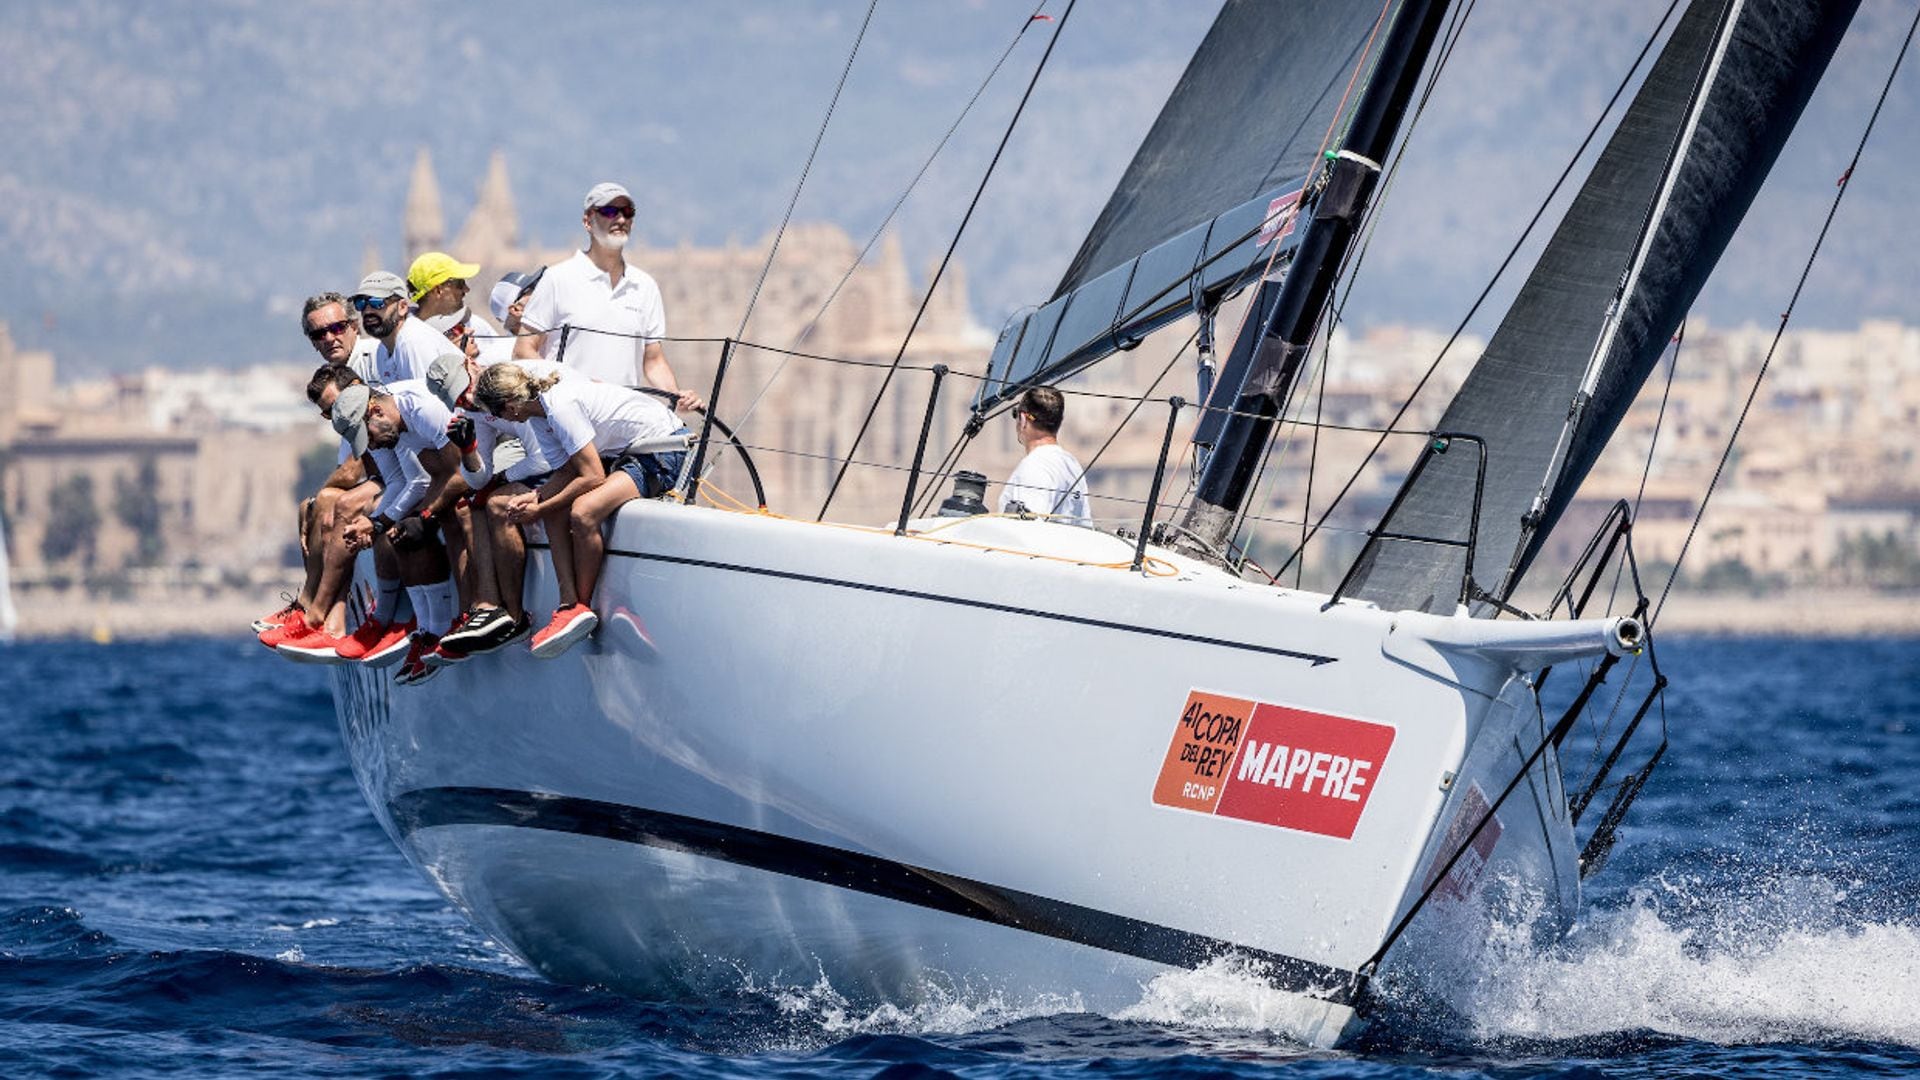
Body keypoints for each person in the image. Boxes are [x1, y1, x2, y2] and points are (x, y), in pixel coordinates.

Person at [474, 361, 688, 659]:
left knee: (583, 512)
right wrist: (537, 499)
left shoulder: (560, 406)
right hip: (628, 453)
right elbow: (563, 474)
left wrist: (539, 506)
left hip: (662, 449)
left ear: (509, 406)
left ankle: (580, 608)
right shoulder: (537, 416)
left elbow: (592, 476)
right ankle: (567, 603)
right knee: (554, 510)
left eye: (494, 413)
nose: (495, 419)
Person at [255, 294, 382, 649]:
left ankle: (313, 613)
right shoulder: (338, 377)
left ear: (353, 326)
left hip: (399, 479)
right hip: (383, 479)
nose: (329, 338)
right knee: (325, 503)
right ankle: (324, 615)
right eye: (318, 334)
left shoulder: (369, 368)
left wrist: (313, 507)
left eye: (336, 327)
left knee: (328, 503)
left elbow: (356, 464)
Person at [424, 350, 566, 656]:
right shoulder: (474, 407)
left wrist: (498, 481)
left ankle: (514, 617)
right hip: (549, 457)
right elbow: (477, 477)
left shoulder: (507, 385)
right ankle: (487, 606)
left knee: (497, 503)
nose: (468, 401)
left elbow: (541, 459)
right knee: (473, 501)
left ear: (472, 366)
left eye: (466, 391)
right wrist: (468, 450)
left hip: (569, 454)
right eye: (459, 401)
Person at [331, 380, 472, 683]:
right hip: (455, 476)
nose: (373, 447)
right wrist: (384, 522)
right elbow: (419, 482)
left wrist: (424, 516)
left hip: (480, 470)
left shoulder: (422, 410)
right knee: (402, 532)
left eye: (368, 437)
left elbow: (462, 475)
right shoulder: (399, 429)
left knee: (444, 519)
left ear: (376, 411)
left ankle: (458, 618)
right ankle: (428, 630)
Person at [514, 182, 700, 409]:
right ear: (587, 221)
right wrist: (569, 384)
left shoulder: (645, 286)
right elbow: (523, 350)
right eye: (610, 211)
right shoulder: (557, 279)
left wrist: (675, 395)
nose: (620, 219)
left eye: (627, 212)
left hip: (625, 417)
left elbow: (652, 360)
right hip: (567, 416)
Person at [998, 386, 1092, 527]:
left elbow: (1028, 532)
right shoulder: (1071, 464)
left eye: (1016, 414)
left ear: (1023, 419)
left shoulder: (1034, 466)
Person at [353, 270, 449, 385]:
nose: (368, 310)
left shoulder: (413, 341)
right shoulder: (382, 350)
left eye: (377, 302)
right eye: (361, 303)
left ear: (402, 307)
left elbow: (430, 400)